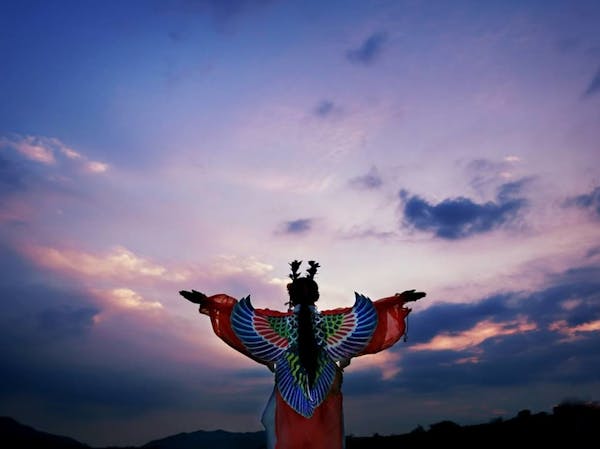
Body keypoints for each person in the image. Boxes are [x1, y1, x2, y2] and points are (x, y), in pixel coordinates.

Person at [180, 260, 425, 449]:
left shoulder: (277, 322)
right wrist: (398, 300)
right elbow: (370, 312)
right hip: (326, 383)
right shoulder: (332, 321)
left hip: (291, 383)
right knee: (324, 431)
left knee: (276, 424)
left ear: (290, 296)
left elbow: (237, 315)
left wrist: (208, 302)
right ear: (316, 296)